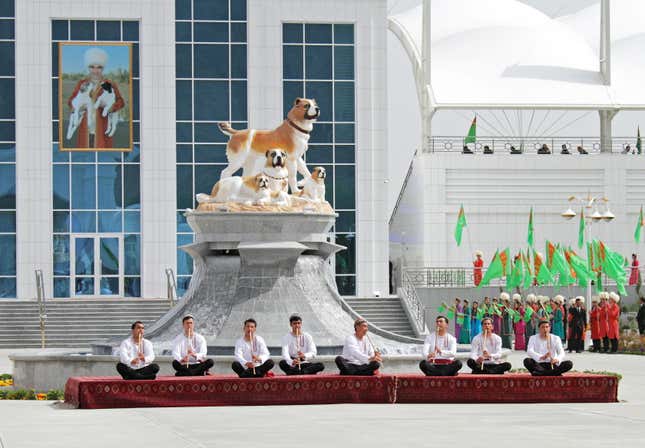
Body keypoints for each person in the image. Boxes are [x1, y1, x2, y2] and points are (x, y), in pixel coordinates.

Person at [67, 47, 125, 148]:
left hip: (102, 128)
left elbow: (121, 102)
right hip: (85, 128)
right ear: (88, 67)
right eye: (92, 67)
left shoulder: (110, 84)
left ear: (103, 68)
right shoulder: (82, 83)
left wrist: (110, 107)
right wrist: (80, 107)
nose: (95, 70)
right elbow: (71, 101)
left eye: (99, 67)